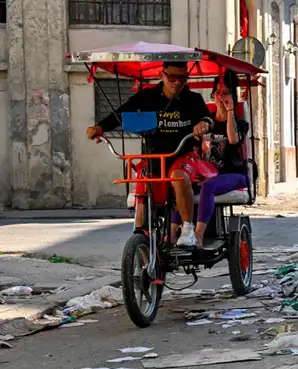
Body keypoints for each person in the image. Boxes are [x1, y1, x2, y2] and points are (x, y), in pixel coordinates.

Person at [87, 61, 213, 248]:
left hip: (183, 155)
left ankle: (188, 228)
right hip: (154, 156)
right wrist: (101, 127)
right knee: (142, 180)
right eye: (172, 77)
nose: (177, 82)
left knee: (178, 176)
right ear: (162, 75)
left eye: (182, 78)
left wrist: (203, 124)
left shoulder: (193, 99)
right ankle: (140, 231)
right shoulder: (147, 97)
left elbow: (207, 119)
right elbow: (122, 114)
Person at [173, 72, 250, 247]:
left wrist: (230, 111)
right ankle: (171, 234)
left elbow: (233, 139)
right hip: (206, 173)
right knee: (180, 184)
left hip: (233, 173)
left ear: (233, 96)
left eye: (225, 93)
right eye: (217, 92)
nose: (221, 97)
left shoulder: (240, 123)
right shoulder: (206, 123)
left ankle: (198, 236)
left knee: (209, 186)